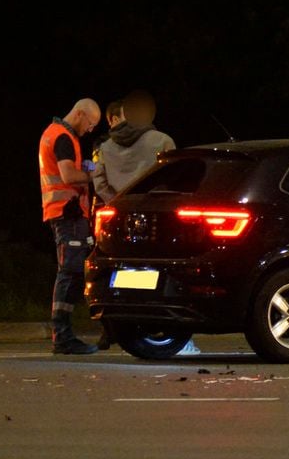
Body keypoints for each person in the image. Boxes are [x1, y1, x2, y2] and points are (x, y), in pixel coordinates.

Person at [91, 90, 196, 354]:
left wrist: (118, 201)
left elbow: (98, 181)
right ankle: (169, 329)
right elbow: (177, 177)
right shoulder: (163, 140)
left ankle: (112, 329)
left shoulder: (103, 148)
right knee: (159, 271)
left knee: (119, 270)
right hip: (158, 217)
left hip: (117, 215)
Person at [38, 98, 102, 355]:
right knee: (70, 272)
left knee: (74, 271)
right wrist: (94, 174)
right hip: (67, 214)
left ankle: (64, 334)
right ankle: (62, 336)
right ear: (79, 114)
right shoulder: (63, 137)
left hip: (65, 214)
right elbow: (67, 176)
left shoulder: (56, 134)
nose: (91, 129)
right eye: (91, 123)